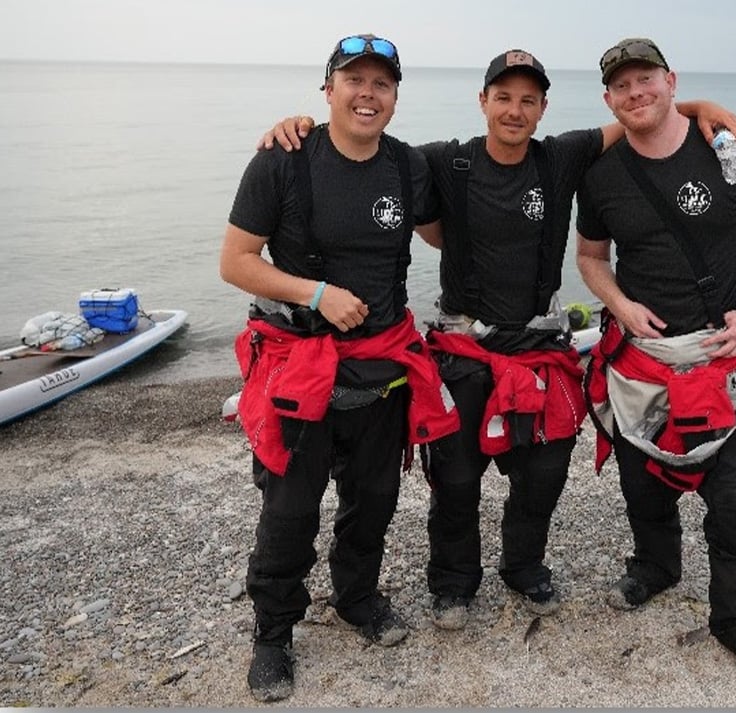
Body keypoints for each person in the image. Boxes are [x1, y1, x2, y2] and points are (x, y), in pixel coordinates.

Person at [260, 50, 736, 631]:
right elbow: (362, 154)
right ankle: (453, 583)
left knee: (542, 473)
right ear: (483, 102)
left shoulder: (562, 157)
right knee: (457, 477)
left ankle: (523, 566)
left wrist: (700, 106)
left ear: (543, 108)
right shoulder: (443, 163)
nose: (514, 111)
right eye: (503, 97)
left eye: (527, 100)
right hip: (462, 346)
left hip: (540, 346)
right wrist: (298, 131)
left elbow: (641, 114)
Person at [219, 34, 459, 702]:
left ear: (395, 98)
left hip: (381, 371)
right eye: (354, 80)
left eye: (382, 84)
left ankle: (357, 597)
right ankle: (273, 634)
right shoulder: (283, 160)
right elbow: (235, 261)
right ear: (327, 90)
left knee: (374, 501)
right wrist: (313, 292)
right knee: (290, 510)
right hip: (302, 370)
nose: (368, 94)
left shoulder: (412, 170)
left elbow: (450, 226)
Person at [575, 38, 736, 698]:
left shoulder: (732, 145)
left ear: (671, 81)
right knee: (644, 481)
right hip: (641, 362)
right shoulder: (602, 171)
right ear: (609, 99)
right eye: (623, 86)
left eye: (647, 79)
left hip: (721, 353)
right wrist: (618, 304)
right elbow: (591, 256)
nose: (637, 92)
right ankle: (656, 565)